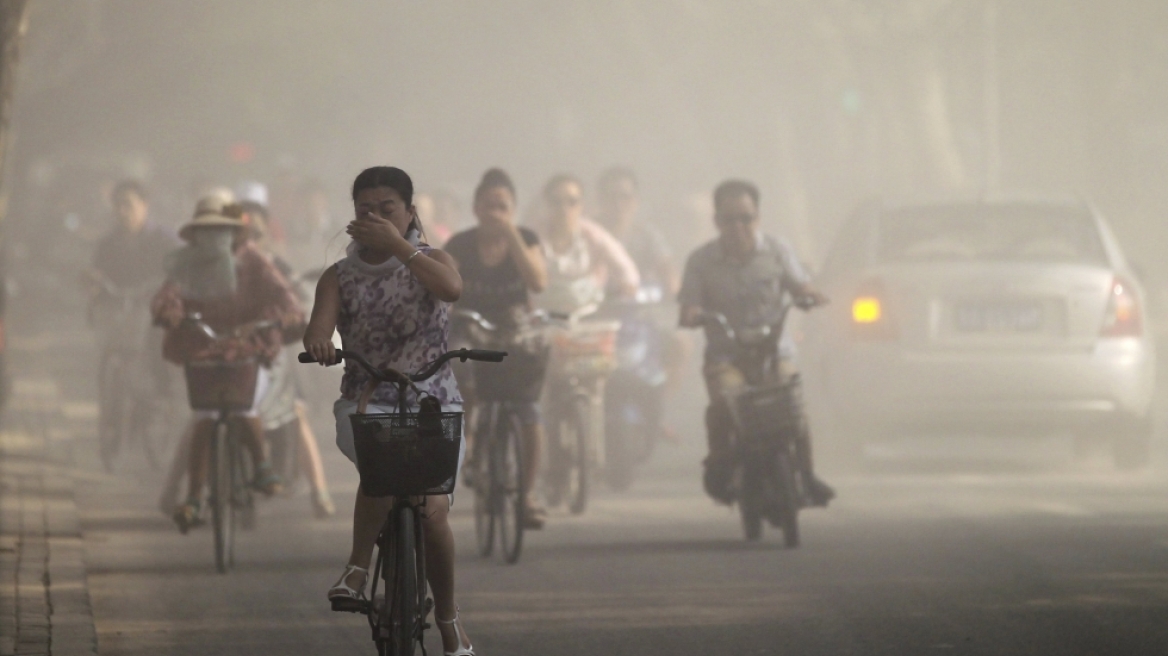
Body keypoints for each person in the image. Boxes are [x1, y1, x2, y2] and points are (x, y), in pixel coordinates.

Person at [302, 166, 474, 656]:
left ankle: (448, 619)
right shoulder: (338, 276)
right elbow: (319, 326)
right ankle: (357, 570)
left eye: (387, 209)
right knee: (386, 463)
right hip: (366, 401)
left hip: (433, 403)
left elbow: (451, 289)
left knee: (434, 513)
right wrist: (319, 343)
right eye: (364, 211)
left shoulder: (433, 259)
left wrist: (401, 247)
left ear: (410, 213)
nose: (374, 217)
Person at [677, 179, 834, 507]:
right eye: (729, 219)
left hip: (775, 353)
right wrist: (692, 314)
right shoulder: (700, 261)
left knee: (794, 408)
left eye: (745, 219)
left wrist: (809, 295)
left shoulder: (778, 250)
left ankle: (806, 475)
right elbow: (689, 304)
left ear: (758, 218)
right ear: (716, 222)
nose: (738, 227)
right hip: (727, 357)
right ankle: (721, 466)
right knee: (724, 404)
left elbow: (799, 285)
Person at [152, 197, 303, 532]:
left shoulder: (254, 260)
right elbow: (167, 296)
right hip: (203, 348)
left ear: (234, 232)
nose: (214, 237)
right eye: (207, 231)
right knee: (203, 417)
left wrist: (278, 316)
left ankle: (261, 467)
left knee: (244, 406)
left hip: (249, 348)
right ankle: (193, 498)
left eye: (220, 229)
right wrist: (171, 313)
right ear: (196, 235)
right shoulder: (187, 263)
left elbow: (284, 296)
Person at [445, 168, 549, 529]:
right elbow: (443, 289)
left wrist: (511, 235)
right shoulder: (459, 245)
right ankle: (473, 445)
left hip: (515, 330)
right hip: (470, 327)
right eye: (489, 205)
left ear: (513, 209)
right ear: (475, 208)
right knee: (462, 367)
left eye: (503, 206)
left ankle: (527, 493)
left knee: (529, 410)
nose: (495, 212)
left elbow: (537, 281)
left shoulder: (528, 238)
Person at [83, 181, 181, 468]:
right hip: (122, 315)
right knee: (110, 359)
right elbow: (96, 275)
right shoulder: (108, 243)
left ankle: (158, 407)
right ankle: (111, 423)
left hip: (153, 312)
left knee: (157, 358)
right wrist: (92, 284)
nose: (123, 211)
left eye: (129, 204)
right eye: (118, 205)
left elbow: (179, 266)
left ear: (145, 206)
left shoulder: (163, 239)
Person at [537, 174, 639, 314]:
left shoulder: (594, 235)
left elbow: (626, 270)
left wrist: (624, 288)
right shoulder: (533, 238)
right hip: (545, 319)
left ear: (581, 205)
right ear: (547, 204)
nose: (564, 208)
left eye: (572, 202)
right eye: (557, 202)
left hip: (591, 318)